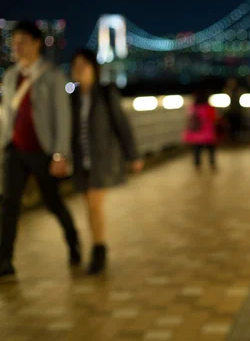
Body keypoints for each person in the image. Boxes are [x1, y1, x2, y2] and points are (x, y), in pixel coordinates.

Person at [0, 21, 80, 279]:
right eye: (14, 42)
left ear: (36, 43)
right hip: (15, 150)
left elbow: (63, 117)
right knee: (9, 203)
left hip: (42, 150)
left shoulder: (52, 75)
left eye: (22, 41)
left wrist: (60, 154)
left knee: (52, 202)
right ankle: (5, 260)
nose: (17, 47)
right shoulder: (11, 76)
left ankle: (73, 241)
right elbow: (6, 115)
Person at [70, 49, 143, 274]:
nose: (80, 69)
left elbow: (121, 123)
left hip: (102, 159)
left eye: (85, 64)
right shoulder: (71, 97)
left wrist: (133, 155)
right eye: (76, 65)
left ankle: (98, 249)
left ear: (94, 68)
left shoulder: (105, 92)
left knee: (94, 204)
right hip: (81, 161)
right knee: (89, 206)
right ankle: (97, 245)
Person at [183, 89, 218, 170]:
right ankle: (212, 164)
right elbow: (214, 118)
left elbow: (189, 118)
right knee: (210, 149)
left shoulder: (193, 107)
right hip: (208, 132)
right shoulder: (209, 107)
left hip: (196, 133)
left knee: (196, 150)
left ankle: (197, 165)